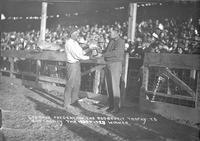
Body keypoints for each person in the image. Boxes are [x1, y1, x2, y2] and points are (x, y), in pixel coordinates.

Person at [64, 27, 91, 110]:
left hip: (77, 64)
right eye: (75, 33)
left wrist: (89, 49)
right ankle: (66, 103)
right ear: (71, 34)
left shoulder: (76, 43)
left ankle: (74, 101)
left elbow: (81, 52)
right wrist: (89, 58)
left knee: (77, 84)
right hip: (71, 65)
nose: (77, 35)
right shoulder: (68, 43)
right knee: (70, 84)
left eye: (77, 33)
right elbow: (77, 56)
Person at [103, 26, 125, 114]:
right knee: (109, 87)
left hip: (115, 65)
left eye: (111, 32)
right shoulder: (111, 40)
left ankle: (116, 108)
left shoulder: (121, 41)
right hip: (108, 64)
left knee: (114, 86)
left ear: (117, 33)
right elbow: (107, 51)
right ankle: (110, 105)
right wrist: (101, 51)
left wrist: (104, 54)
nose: (110, 34)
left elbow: (116, 53)